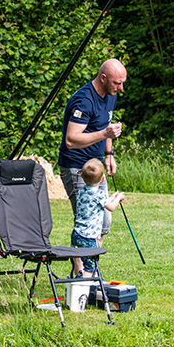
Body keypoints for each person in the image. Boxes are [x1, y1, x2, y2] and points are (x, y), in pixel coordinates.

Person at [59, 59, 127, 273]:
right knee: (87, 221)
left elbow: (106, 124)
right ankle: (80, 272)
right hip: (77, 168)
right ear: (103, 78)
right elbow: (71, 139)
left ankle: (90, 267)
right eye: (117, 83)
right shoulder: (84, 100)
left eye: (122, 83)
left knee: (103, 223)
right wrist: (104, 134)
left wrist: (109, 152)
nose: (121, 88)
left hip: (96, 166)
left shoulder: (110, 95)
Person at [71, 159, 125, 276]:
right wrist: (118, 198)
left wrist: (112, 197)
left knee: (85, 263)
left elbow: (101, 202)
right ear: (102, 179)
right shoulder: (99, 194)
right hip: (88, 238)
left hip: (76, 234)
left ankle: (80, 278)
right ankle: (82, 287)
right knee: (90, 268)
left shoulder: (81, 191)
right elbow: (110, 207)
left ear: (82, 176)